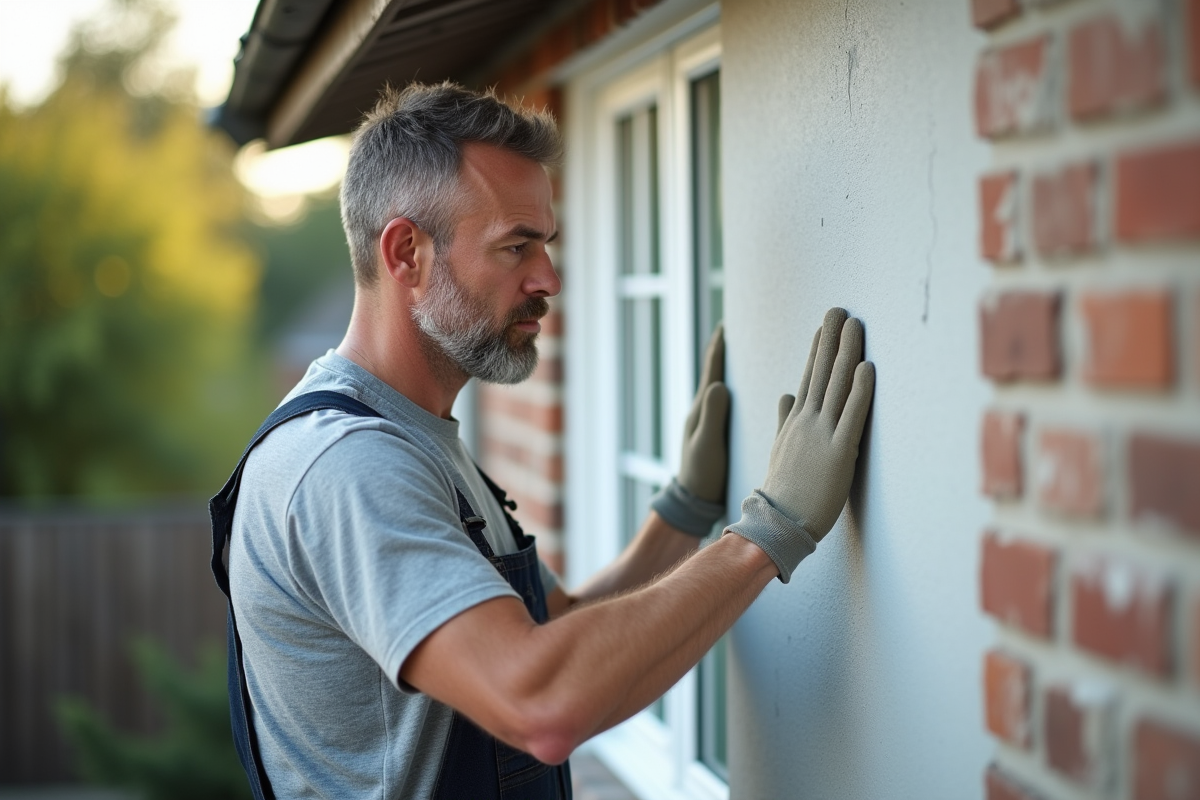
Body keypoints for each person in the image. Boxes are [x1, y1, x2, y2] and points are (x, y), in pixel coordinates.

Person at [210, 81, 875, 800]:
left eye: (545, 245)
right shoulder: (345, 465)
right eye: (516, 247)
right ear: (406, 253)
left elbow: (553, 628)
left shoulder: (415, 439)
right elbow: (541, 701)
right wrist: (770, 531)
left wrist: (684, 512)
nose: (549, 278)